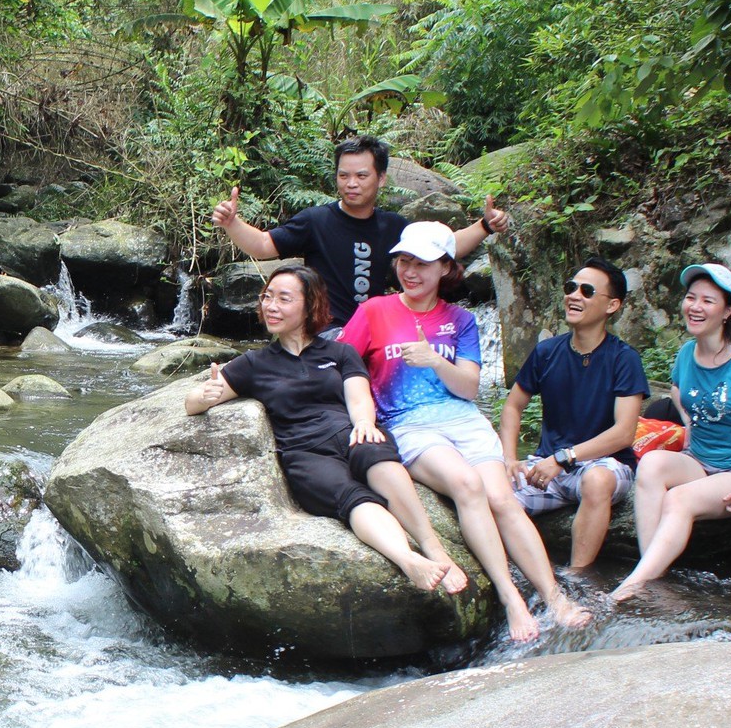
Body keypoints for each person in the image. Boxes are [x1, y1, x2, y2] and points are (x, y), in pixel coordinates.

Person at [341, 222, 592, 640]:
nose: (410, 271)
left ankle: (554, 596)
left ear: (445, 268)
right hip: (407, 421)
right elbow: (344, 365)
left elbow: (471, 388)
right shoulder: (374, 311)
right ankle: (511, 597)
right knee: (466, 485)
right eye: (404, 261)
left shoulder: (460, 319)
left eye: (422, 263)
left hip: (462, 418)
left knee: (502, 499)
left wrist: (434, 361)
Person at [185, 265, 469, 595]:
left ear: (310, 306)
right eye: (267, 297)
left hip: (348, 431)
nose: (271, 306)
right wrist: (203, 396)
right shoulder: (254, 363)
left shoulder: (340, 352)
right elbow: (194, 403)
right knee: (352, 498)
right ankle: (410, 561)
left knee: (377, 455)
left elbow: (359, 396)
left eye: (284, 298)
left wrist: (363, 424)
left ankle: (433, 548)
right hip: (305, 452)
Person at [210, 134, 508, 330]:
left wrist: (484, 226)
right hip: (325, 334)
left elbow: (447, 245)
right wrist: (232, 223)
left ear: (380, 179)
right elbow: (263, 244)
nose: (351, 183)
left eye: (361, 175)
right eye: (344, 175)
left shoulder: (392, 226)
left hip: (374, 333)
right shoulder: (315, 220)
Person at [612, 264, 731, 602]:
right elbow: (678, 390)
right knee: (651, 465)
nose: (695, 306)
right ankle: (652, 571)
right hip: (700, 459)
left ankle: (633, 585)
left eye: (708, 300)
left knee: (679, 499)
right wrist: (690, 424)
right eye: (691, 298)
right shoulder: (686, 354)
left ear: (728, 310)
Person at [498, 257, 649, 569]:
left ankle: (577, 578)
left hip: (604, 465)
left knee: (595, 481)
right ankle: (518, 578)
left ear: (612, 305)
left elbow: (623, 433)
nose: (574, 295)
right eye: (571, 287)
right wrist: (510, 459)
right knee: (492, 496)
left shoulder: (624, 359)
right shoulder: (547, 351)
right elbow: (513, 406)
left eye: (587, 290)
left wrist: (564, 458)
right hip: (548, 468)